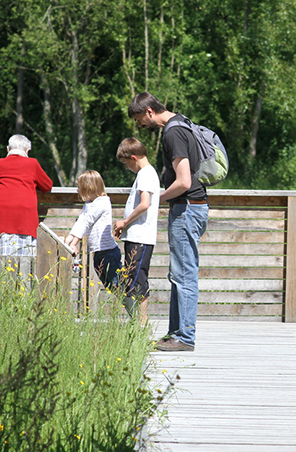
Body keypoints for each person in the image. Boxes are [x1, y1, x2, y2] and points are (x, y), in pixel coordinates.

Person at [128, 92, 208, 352]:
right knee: (179, 274)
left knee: (184, 275)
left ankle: (184, 337)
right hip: (192, 208)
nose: (140, 125)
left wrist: (158, 199)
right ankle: (176, 333)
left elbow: (183, 181)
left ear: (149, 111)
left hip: (186, 209)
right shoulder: (182, 121)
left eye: (140, 119)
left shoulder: (173, 133)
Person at [113, 137, 161, 323]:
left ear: (133, 158)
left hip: (141, 237)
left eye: (126, 164)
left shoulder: (146, 174)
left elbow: (144, 204)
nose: (127, 168)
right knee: (132, 277)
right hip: (136, 237)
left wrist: (124, 222)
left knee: (138, 281)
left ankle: (142, 325)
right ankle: (138, 323)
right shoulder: (146, 173)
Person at [0, 134, 53, 259]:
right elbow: (47, 185)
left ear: (8, 149)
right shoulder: (32, 163)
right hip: (25, 215)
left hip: (1, 214)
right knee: (25, 259)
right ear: (27, 150)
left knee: (0, 258)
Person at [64, 170, 121, 291]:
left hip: (108, 253)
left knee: (118, 286)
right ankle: (129, 307)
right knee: (112, 288)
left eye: (80, 188)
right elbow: (81, 220)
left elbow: (87, 221)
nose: (78, 190)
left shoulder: (102, 202)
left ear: (89, 187)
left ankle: (134, 308)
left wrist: (73, 243)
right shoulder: (89, 203)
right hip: (98, 253)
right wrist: (69, 239)